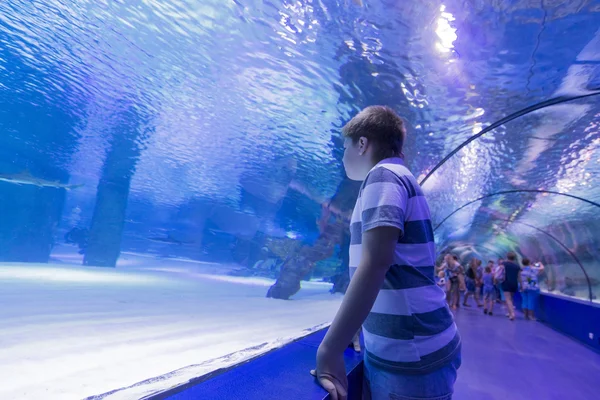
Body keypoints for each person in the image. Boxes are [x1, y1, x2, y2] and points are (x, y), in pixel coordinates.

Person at [311, 106, 461, 400]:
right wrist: (356, 324)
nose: (343, 157)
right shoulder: (399, 176)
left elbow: (376, 263)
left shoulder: (383, 176)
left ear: (362, 143)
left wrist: (329, 350)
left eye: (345, 147)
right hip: (413, 349)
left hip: (411, 356)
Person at [501, 252, 522, 321]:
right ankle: (509, 313)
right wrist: (521, 285)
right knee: (511, 298)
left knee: (508, 299)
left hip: (506, 282)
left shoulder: (504, 264)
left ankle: (512, 314)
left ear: (507, 257)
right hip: (514, 283)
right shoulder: (517, 267)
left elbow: (500, 272)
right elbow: (519, 277)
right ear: (514, 258)